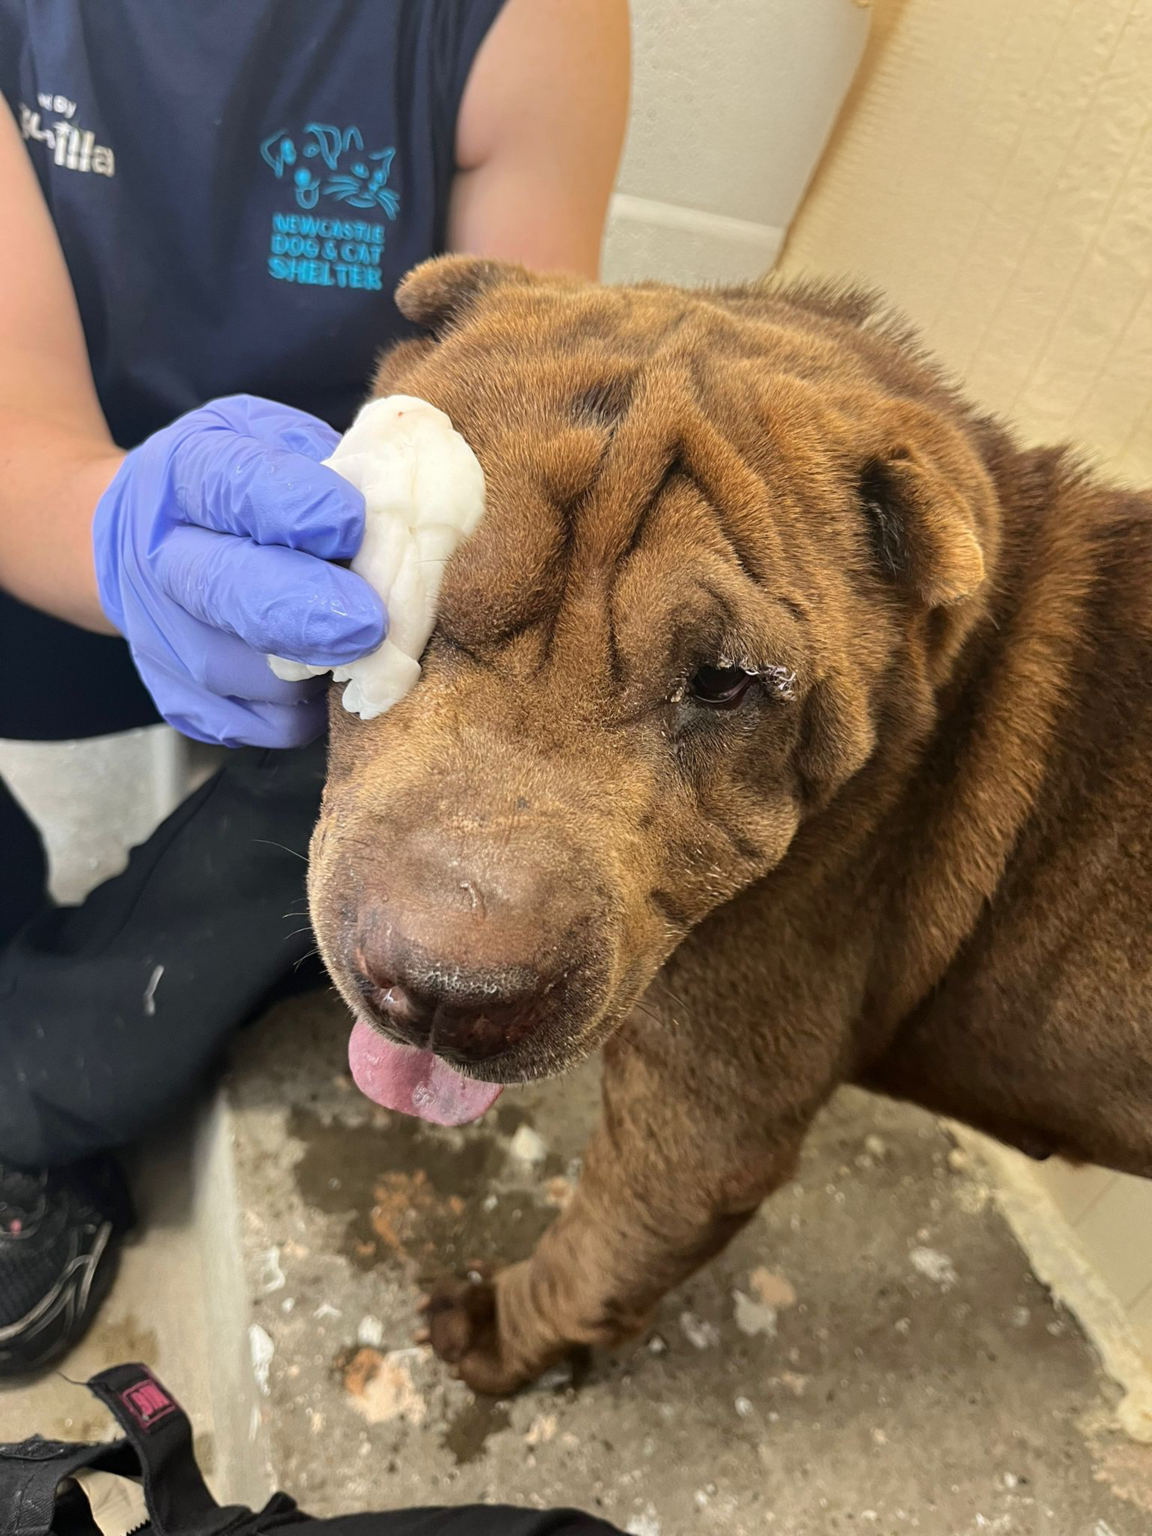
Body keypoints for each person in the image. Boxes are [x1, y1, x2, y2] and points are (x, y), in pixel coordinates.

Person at [0, 0, 628, 1377]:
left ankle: (46, 1082)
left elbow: (518, 401)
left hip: (334, 614)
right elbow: (14, 408)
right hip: (44, 536)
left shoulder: (525, 21)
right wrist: (121, 534)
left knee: (455, 732)